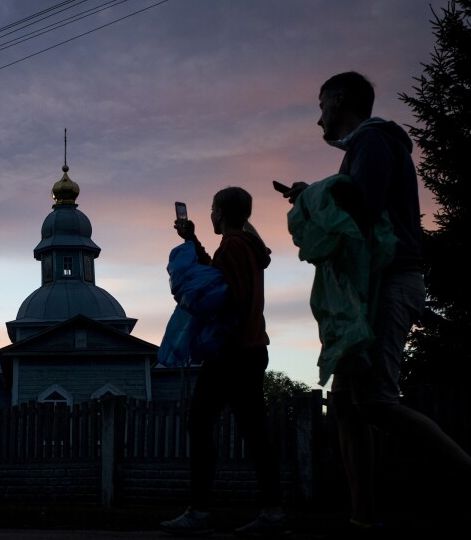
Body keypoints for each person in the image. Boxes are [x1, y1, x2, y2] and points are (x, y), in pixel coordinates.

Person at [282, 71, 471, 532]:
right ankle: (362, 520)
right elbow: (353, 201)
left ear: (342, 99)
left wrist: (315, 196)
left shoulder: (373, 140)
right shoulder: (363, 149)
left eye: (322, 104)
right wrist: (313, 195)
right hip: (372, 287)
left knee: (375, 403)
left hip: (391, 282)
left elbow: (362, 205)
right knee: (347, 407)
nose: (319, 118)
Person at [160, 187, 287, 537]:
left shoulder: (233, 246)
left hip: (233, 352)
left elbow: (229, 296)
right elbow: (221, 276)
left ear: (222, 212)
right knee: (254, 432)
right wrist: (194, 240)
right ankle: (272, 511)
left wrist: (201, 312)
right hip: (249, 349)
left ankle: (200, 511)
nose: (211, 214)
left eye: (213, 209)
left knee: (200, 423)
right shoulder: (246, 246)